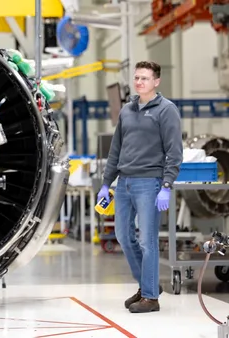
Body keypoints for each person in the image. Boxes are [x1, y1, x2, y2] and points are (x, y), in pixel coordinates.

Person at [97, 61, 183, 314]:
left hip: (149, 183)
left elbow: (174, 152)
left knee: (147, 241)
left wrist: (166, 185)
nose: (139, 82)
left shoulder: (166, 110)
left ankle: (150, 297)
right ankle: (149, 285)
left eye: (145, 78)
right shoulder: (127, 110)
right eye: (136, 78)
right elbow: (116, 150)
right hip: (124, 182)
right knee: (124, 236)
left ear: (156, 82)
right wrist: (105, 183)